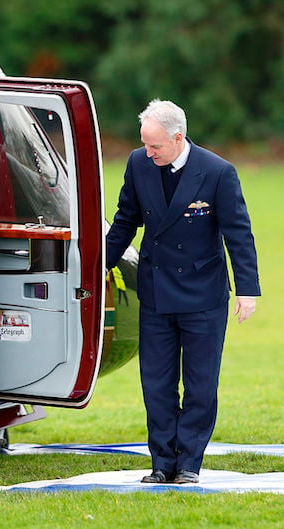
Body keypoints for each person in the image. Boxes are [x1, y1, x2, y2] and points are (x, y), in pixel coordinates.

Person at [106, 99, 260, 484]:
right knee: (156, 383)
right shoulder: (139, 164)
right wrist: (97, 268)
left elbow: (238, 233)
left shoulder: (217, 172)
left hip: (203, 295)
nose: (149, 152)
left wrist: (247, 289)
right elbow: (125, 221)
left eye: (155, 146)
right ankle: (161, 464)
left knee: (200, 384)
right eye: (145, 144)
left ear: (178, 138)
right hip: (156, 292)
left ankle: (188, 463)